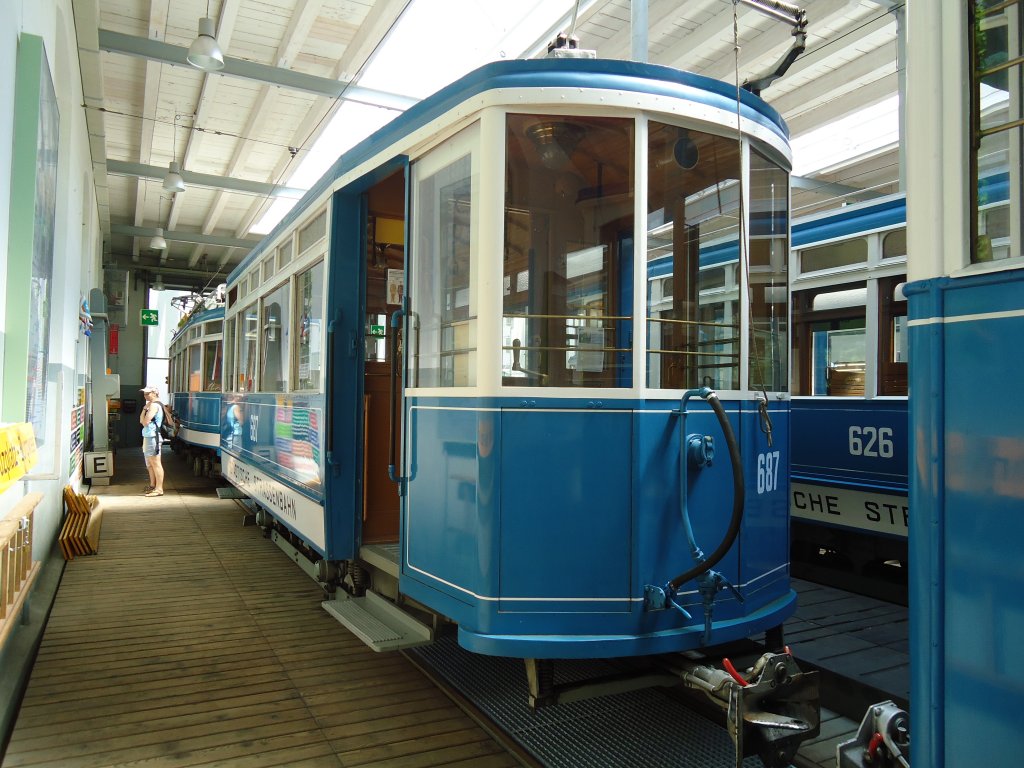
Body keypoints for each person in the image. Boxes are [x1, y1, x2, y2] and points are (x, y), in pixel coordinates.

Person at [139, 385, 165, 497]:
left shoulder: (154, 405)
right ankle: (152, 485)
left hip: (153, 436)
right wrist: (145, 409)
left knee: (155, 463)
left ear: (154, 393)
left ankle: (159, 489)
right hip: (149, 436)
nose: (145, 395)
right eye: (144, 393)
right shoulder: (150, 405)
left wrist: (145, 410)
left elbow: (144, 422)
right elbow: (142, 420)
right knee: (150, 464)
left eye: (148, 393)